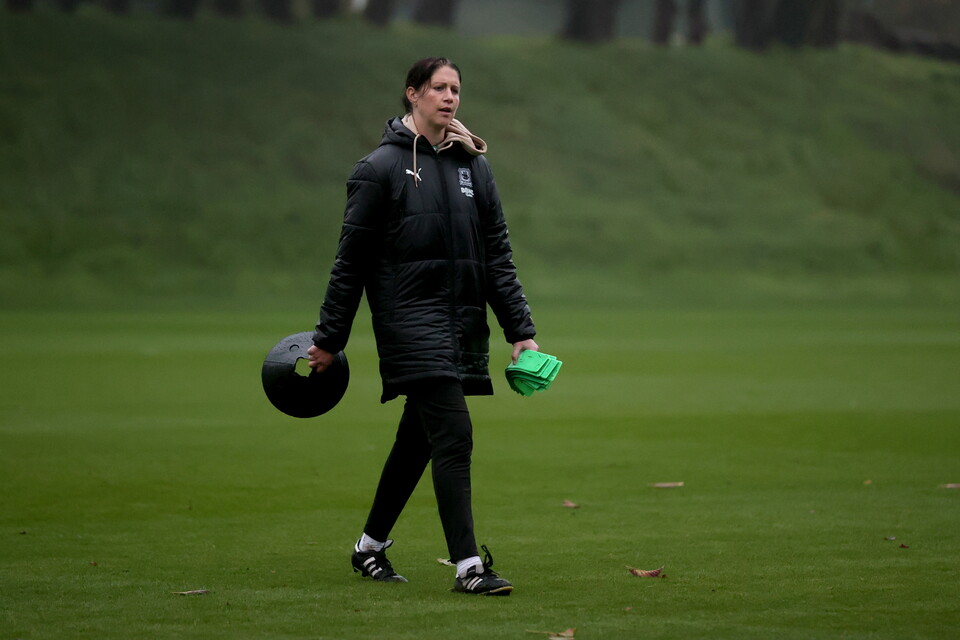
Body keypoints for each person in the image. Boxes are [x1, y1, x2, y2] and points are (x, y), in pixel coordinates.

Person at [307, 57, 538, 596]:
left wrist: (519, 330)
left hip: (461, 325)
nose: (450, 97)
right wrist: (328, 340)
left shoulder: (473, 167)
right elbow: (351, 263)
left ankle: (369, 548)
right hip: (409, 324)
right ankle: (468, 568)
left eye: (456, 89)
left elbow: (497, 255)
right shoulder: (377, 170)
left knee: (418, 441)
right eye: (439, 88)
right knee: (454, 433)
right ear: (413, 95)